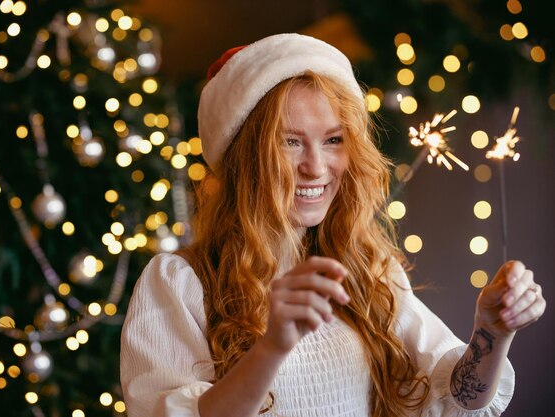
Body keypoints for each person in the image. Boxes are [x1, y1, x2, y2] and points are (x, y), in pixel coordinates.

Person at [120, 33, 546, 417]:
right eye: (290, 142)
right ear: (244, 157)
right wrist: (272, 346)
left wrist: (491, 333)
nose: (316, 167)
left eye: (333, 140)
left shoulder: (369, 271)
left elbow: (459, 398)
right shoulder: (179, 284)